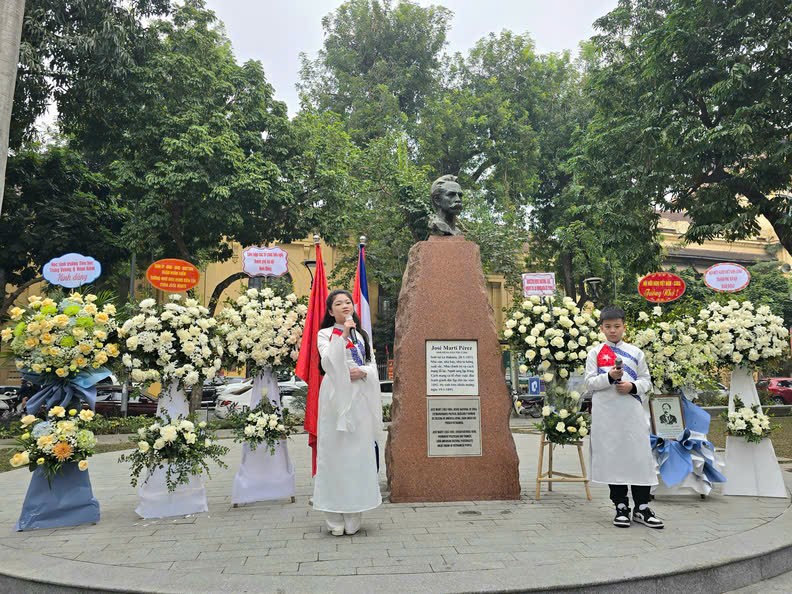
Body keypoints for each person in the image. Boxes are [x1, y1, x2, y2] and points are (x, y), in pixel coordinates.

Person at [585, 306, 664, 529]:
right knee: (613, 460)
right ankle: (620, 505)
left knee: (639, 459)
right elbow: (589, 383)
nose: (612, 331)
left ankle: (642, 507)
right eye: (608, 327)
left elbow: (647, 382)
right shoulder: (595, 353)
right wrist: (609, 377)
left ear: (624, 327)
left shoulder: (636, 353)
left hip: (632, 415)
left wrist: (632, 386)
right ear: (601, 328)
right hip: (606, 416)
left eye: (617, 326)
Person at [313, 289, 382, 536]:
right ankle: (334, 517)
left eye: (348, 302)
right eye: (338, 303)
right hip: (335, 401)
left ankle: (354, 514)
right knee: (334, 456)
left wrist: (364, 372)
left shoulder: (362, 335)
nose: (345, 306)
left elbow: (371, 365)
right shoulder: (325, 334)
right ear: (331, 311)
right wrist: (342, 334)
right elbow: (328, 362)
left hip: (359, 400)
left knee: (357, 457)